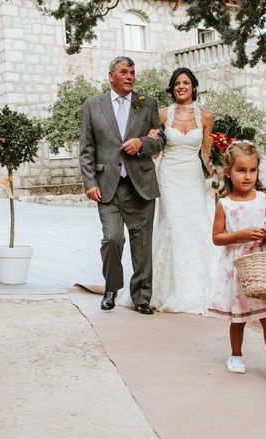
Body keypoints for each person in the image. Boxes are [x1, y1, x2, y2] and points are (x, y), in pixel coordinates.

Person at [79, 56, 165, 314]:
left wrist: (142, 143)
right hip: (107, 187)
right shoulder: (93, 105)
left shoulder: (147, 103)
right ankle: (111, 288)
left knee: (142, 244)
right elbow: (86, 149)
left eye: (132, 72)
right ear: (111, 76)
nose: (130, 76)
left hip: (141, 184)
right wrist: (89, 182)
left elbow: (160, 140)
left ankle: (141, 297)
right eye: (124, 72)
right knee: (112, 239)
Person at [208, 141, 266, 385]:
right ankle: (236, 355)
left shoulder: (264, 199)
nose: (248, 176)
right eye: (241, 170)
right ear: (229, 171)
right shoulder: (224, 204)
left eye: (253, 170)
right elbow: (217, 238)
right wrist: (241, 234)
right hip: (238, 265)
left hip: (262, 264)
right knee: (240, 315)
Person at [145, 67, 215, 314]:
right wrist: (152, 137)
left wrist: (218, 177)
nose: (181, 86)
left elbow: (206, 154)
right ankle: (168, 289)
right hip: (169, 174)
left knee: (196, 224)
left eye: (186, 82)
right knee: (173, 225)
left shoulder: (206, 116)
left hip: (193, 175)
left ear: (194, 86)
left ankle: (198, 287)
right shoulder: (162, 114)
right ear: (172, 88)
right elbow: (155, 153)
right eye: (177, 83)